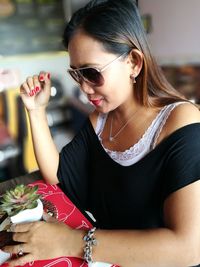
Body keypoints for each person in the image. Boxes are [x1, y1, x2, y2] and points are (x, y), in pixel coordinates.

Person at [3, 0, 200, 266]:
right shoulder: (101, 120)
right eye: (77, 75)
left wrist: (71, 241)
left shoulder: (181, 121)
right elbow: (59, 176)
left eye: (92, 73)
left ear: (133, 62)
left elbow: (188, 249)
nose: (84, 89)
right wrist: (36, 112)